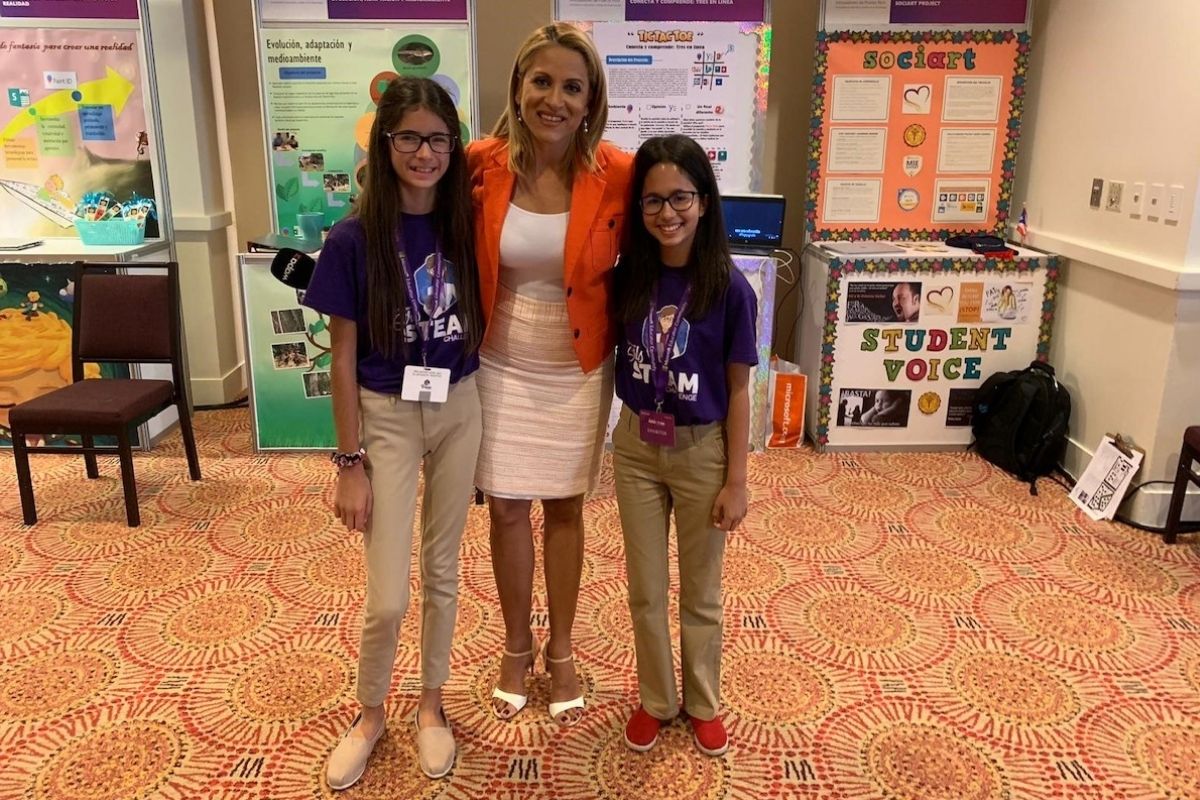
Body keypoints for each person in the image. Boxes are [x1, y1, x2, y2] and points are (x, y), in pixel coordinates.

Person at [302, 77, 484, 788]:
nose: (424, 152)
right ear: (384, 142)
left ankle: (431, 704)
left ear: (453, 147)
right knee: (387, 594)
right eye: (409, 136)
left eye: (438, 139)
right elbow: (341, 358)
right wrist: (348, 462)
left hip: (460, 404)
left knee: (443, 572)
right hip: (386, 413)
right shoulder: (353, 238)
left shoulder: (467, 223)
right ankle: (370, 711)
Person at [467, 23, 633, 727]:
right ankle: (516, 646)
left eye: (572, 87)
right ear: (518, 87)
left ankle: (561, 649)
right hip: (499, 360)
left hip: (578, 366)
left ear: (591, 100)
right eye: (541, 82)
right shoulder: (480, 163)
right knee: (506, 506)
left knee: (565, 507)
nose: (554, 100)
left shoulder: (618, 173)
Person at [611, 134, 757, 757]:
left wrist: (737, 480)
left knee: (701, 588)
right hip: (636, 448)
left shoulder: (729, 288)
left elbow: (740, 389)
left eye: (680, 198)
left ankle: (702, 702)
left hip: (702, 450)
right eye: (652, 201)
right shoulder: (628, 278)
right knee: (645, 587)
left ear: (703, 201)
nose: (666, 213)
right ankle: (656, 699)